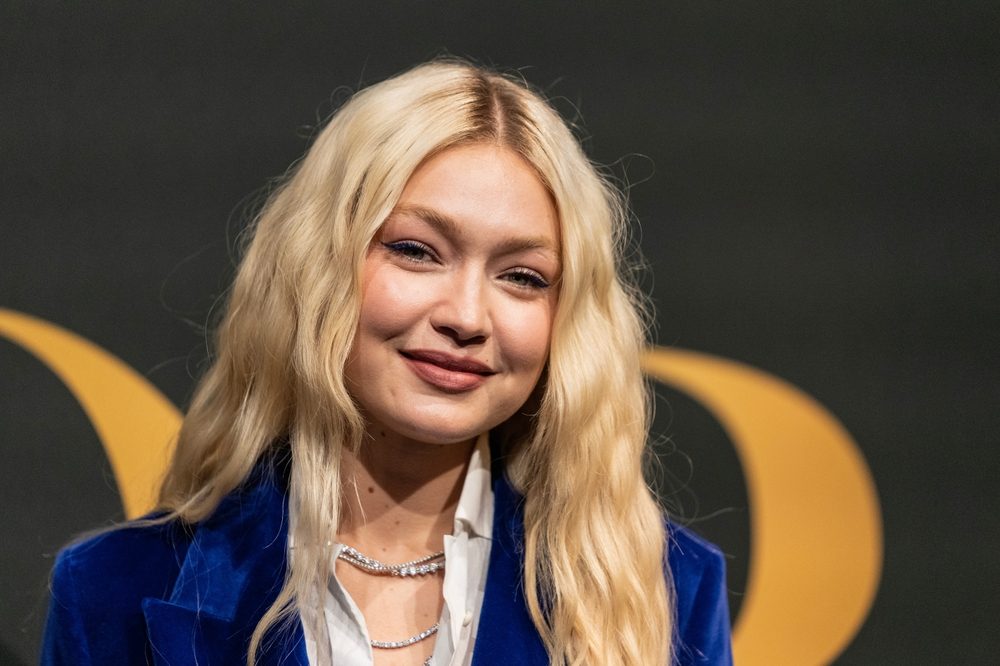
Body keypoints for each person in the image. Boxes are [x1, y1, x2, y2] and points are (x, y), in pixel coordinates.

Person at [41, 60, 732, 666]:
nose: (467, 316)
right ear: (317, 264)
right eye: (416, 251)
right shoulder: (113, 590)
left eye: (522, 276)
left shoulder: (665, 591)